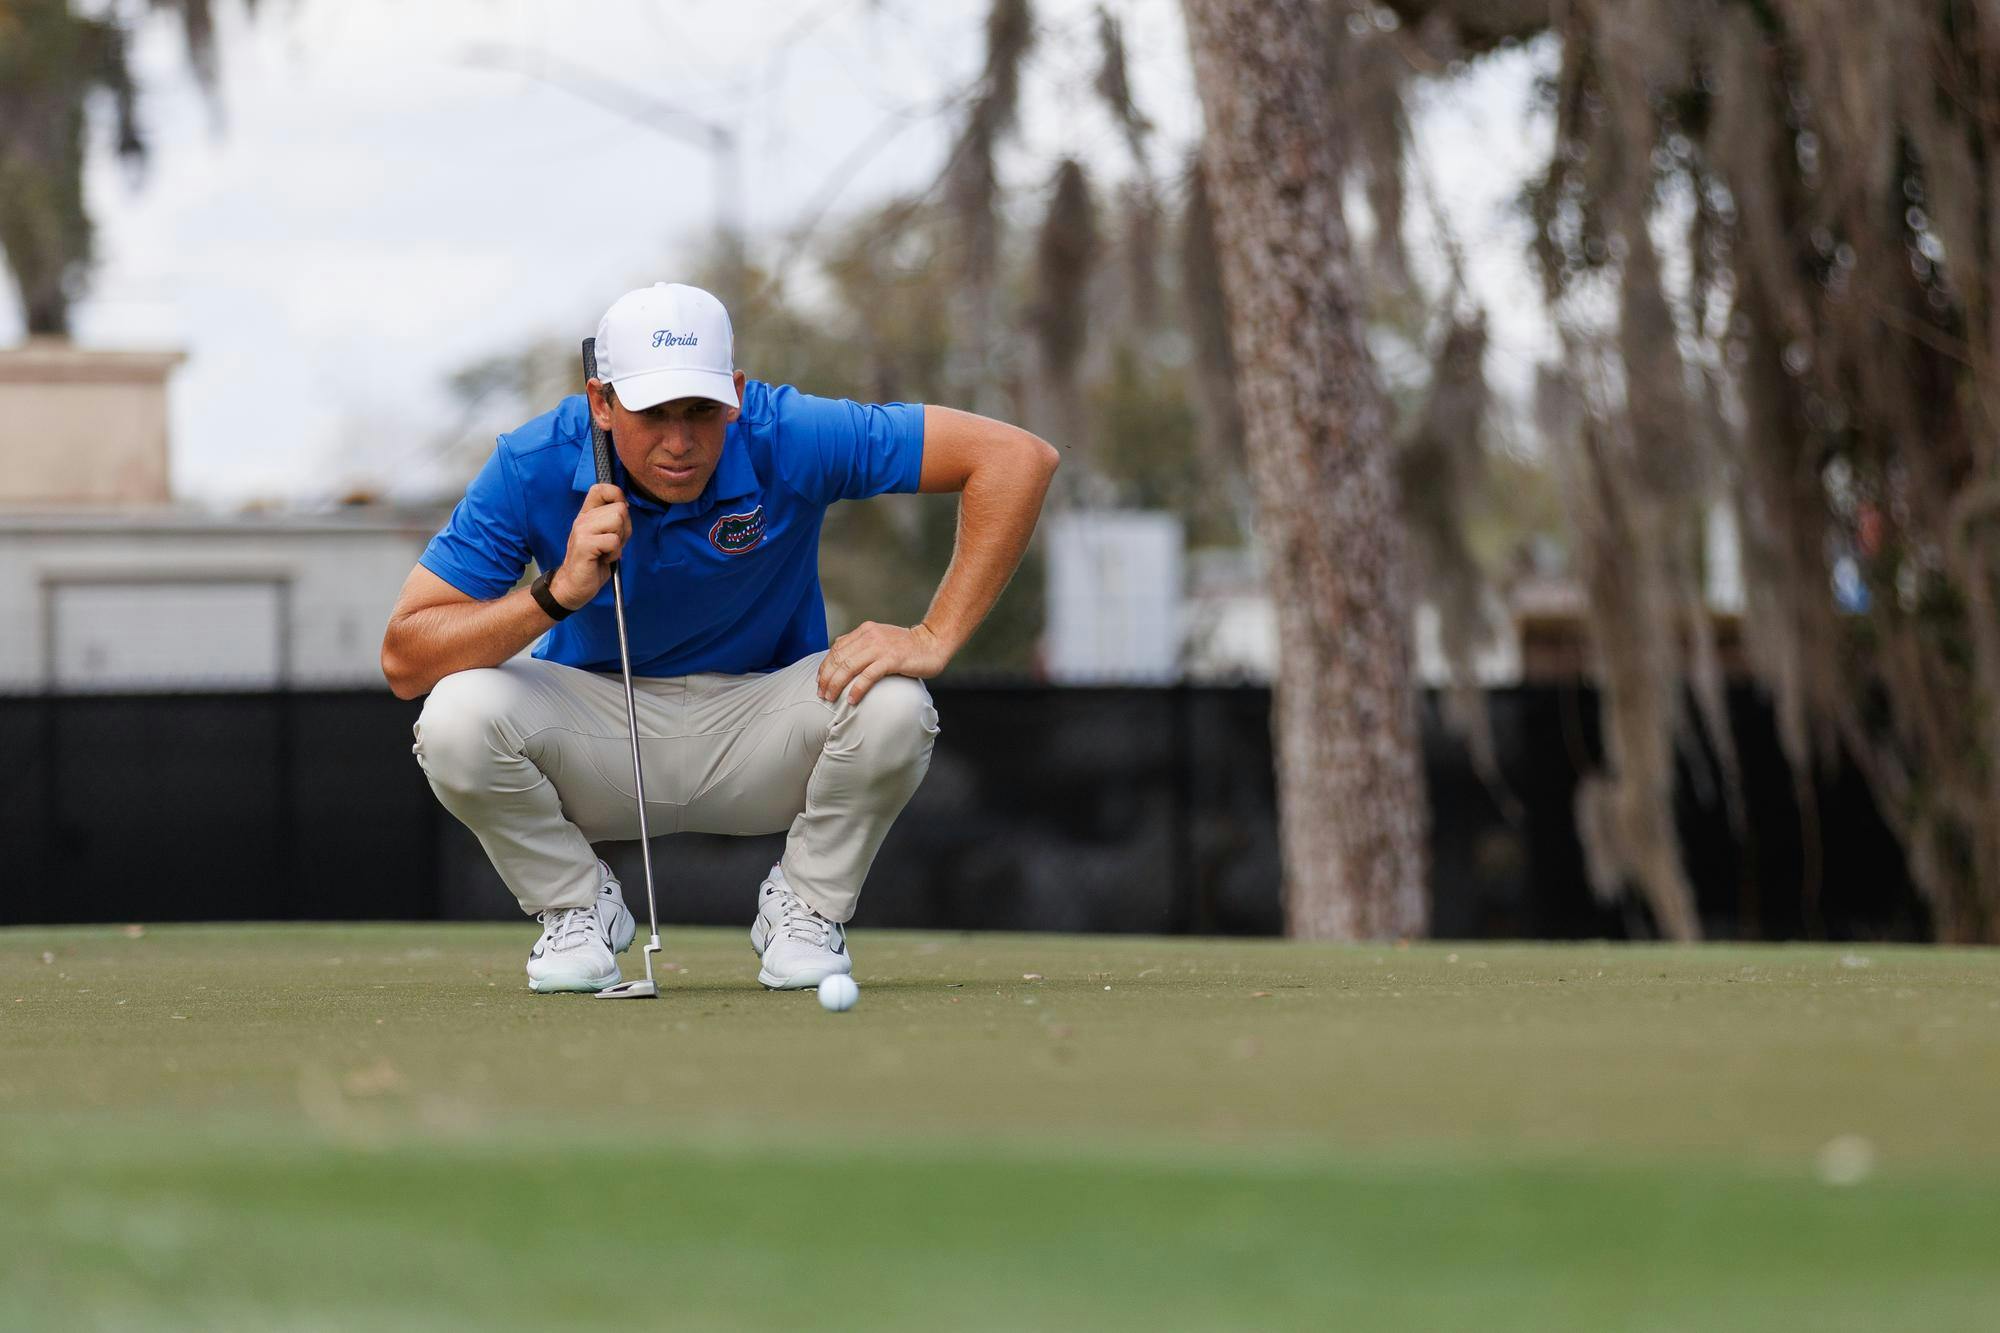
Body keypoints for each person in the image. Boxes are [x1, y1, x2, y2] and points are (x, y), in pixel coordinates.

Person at [380, 282, 1058, 993]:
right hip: (595, 738)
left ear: (734, 393)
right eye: (651, 412)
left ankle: (806, 908)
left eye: (701, 410)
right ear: (601, 403)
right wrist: (555, 594)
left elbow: (1016, 458)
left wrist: (934, 633)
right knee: (455, 715)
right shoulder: (533, 461)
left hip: (762, 727)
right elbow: (405, 658)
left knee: (894, 700)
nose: (679, 441)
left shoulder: (787, 431)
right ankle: (575, 907)